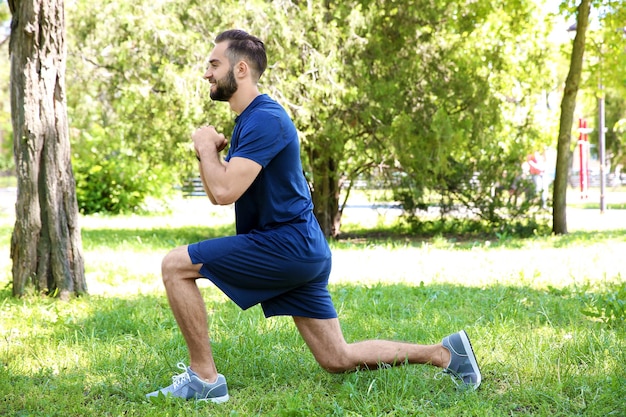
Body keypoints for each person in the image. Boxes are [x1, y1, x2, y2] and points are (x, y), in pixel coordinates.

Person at [146, 29, 481, 403]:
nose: (206, 73)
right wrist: (207, 154)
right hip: (300, 246)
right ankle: (444, 353)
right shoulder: (249, 120)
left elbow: (224, 192)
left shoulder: (265, 119)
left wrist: (207, 148)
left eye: (213, 64)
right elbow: (218, 192)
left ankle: (204, 380)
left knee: (176, 265)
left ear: (240, 69)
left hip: (286, 244)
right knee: (337, 358)